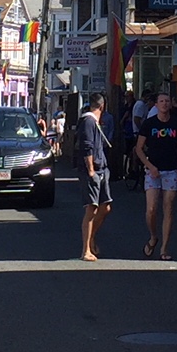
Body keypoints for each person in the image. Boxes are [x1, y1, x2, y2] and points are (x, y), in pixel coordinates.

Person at [135, 91, 177, 261]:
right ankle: (153, 236)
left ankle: (164, 248)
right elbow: (139, 148)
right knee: (151, 209)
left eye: (167, 101)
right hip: (153, 170)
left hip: (171, 170)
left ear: (170, 104)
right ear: (156, 105)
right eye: (161, 101)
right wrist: (150, 166)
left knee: (168, 207)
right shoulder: (149, 124)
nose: (165, 104)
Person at [75, 93, 112, 261]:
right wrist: (90, 170)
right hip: (93, 170)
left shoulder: (95, 122)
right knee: (92, 208)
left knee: (105, 207)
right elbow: (86, 146)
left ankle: (91, 238)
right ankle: (85, 250)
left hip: (102, 169)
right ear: (102, 107)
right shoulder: (88, 122)